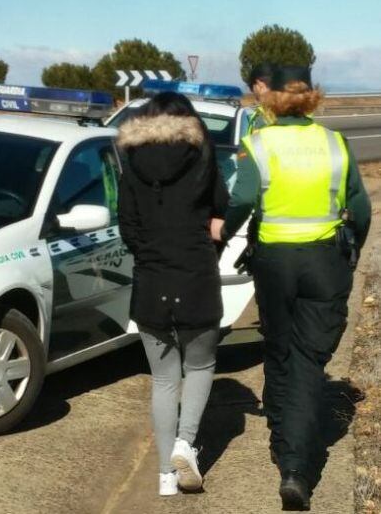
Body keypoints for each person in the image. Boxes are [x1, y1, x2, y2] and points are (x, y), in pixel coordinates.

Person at [216, 66, 372, 510]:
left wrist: (221, 235)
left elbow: (243, 200)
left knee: (280, 348)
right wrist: (351, 251)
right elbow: (360, 208)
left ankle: (286, 447)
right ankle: (295, 464)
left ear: (271, 101)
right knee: (307, 361)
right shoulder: (334, 143)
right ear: (311, 98)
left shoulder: (259, 144)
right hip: (324, 263)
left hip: (274, 264)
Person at [117, 91, 229, 496]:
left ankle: (166, 474)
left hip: (151, 281)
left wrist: (149, 253)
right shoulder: (202, 152)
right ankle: (186, 442)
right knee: (199, 367)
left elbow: (127, 225)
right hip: (196, 276)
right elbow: (221, 208)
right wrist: (208, 248)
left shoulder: (129, 160)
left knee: (164, 380)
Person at [243, 62, 277, 136]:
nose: (252, 91)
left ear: (259, 85)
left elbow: (255, 145)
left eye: (252, 86)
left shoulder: (267, 116)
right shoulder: (288, 110)